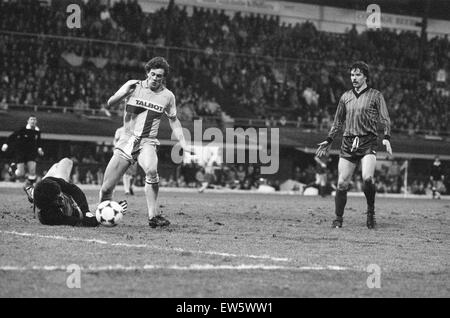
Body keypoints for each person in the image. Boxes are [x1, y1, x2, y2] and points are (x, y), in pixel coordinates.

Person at [100, 56, 193, 228]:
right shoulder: (133, 86)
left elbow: (174, 120)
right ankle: (102, 214)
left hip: (147, 142)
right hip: (127, 140)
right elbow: (110, 102)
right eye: (153, 74)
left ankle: (153, 216)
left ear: (163, 77)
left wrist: (184, 143)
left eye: (160, 76)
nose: (156, 78)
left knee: (151, 170)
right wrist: (123, 92)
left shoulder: (168, 96)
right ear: (147, 73)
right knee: (106, 189)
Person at [316, 61, 392, 229]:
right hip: (348, 142)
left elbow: (385, 118)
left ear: (365, 76)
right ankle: (338, 219)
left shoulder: (375, 95)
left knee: (367, 178)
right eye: (352, 75)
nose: (354, 78)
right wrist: (329, 139)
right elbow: (337, 121)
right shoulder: (345, 97)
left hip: (368, 141)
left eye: (358, 75)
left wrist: (386, 136)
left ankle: (370, 211)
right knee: (342, 183)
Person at [24, 157, 127, 226]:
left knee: (66, 161)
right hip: (73, 211)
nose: (61, 198)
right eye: (58, 198)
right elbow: (80, 222)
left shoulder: (52, 183)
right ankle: (33, 193)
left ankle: (33, 193)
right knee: (97, 207)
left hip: (49, 186)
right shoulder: (49, 217)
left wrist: (86, 211)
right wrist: (112, 211)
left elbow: (74, 190)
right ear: (50, 205)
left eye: (60, 194)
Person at [1, 115, 44, 187]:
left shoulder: (37, 131)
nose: (33, 121)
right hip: (21, 152)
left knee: (32, 170)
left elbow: (38, 142)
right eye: (31, 119)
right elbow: (12, 136)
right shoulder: (22, 129)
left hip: (31, 153)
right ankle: (13, 169)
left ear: (36, 121)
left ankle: (30, 186)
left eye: (34, 120)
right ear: (28, 121)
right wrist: (6, 144)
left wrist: (39, 149)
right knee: (21, 173)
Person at [114, 126, 137, 195]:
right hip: (122, 153)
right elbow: (115, 141)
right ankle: (126, 190)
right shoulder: (120, 130)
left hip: (133, 152)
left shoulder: (135, 130)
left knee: (133, 174)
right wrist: (118, 149)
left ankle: (131, 187)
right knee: (125, 173)